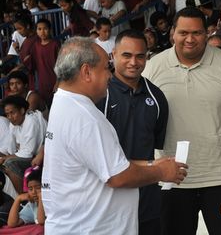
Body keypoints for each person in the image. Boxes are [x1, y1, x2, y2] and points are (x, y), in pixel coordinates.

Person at [41, 36, 187, 234]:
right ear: (86, 72)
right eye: (105, 68)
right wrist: (162, 172)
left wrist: (152, 164)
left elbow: (106, 164)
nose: (110, 75)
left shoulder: (64, 102)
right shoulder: (85, 117)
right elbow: (117, 176)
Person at [142, 7, 221, 235]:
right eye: (183, 32)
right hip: (171, 178)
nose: (189, 39)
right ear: (172, 33)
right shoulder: (152, 68)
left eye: (196, 33)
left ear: (207, 33)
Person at [96, 29, 168, 235]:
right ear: (113, 55)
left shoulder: (157, 97)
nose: (133, 62)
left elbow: (155, 146)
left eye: (140, 56)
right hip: (108, 200)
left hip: (147, 201)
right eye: (126, 55)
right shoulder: (100, 94)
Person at [0, 96, 46, 194]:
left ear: (21, 110)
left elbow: (28, 153)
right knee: (5, 161)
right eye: (7, 114)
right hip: (27, 155)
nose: (10, 117)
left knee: (9, 163)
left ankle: (24, 197)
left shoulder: (31, 121)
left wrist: (6, 158)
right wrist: (3, 156)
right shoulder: (14, 124)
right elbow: (10, 148)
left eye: (12, 113)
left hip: (39, 158)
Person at [31, 18, 60, 107]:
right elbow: (32, 64)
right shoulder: (35, 45)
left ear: (50, 30)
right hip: (42, 83)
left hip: (55, 81)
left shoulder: (55, 44)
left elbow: (61, 64)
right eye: (39, 29)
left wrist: (58, 82)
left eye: (45, 29)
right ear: (36, 31)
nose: (42, 32)